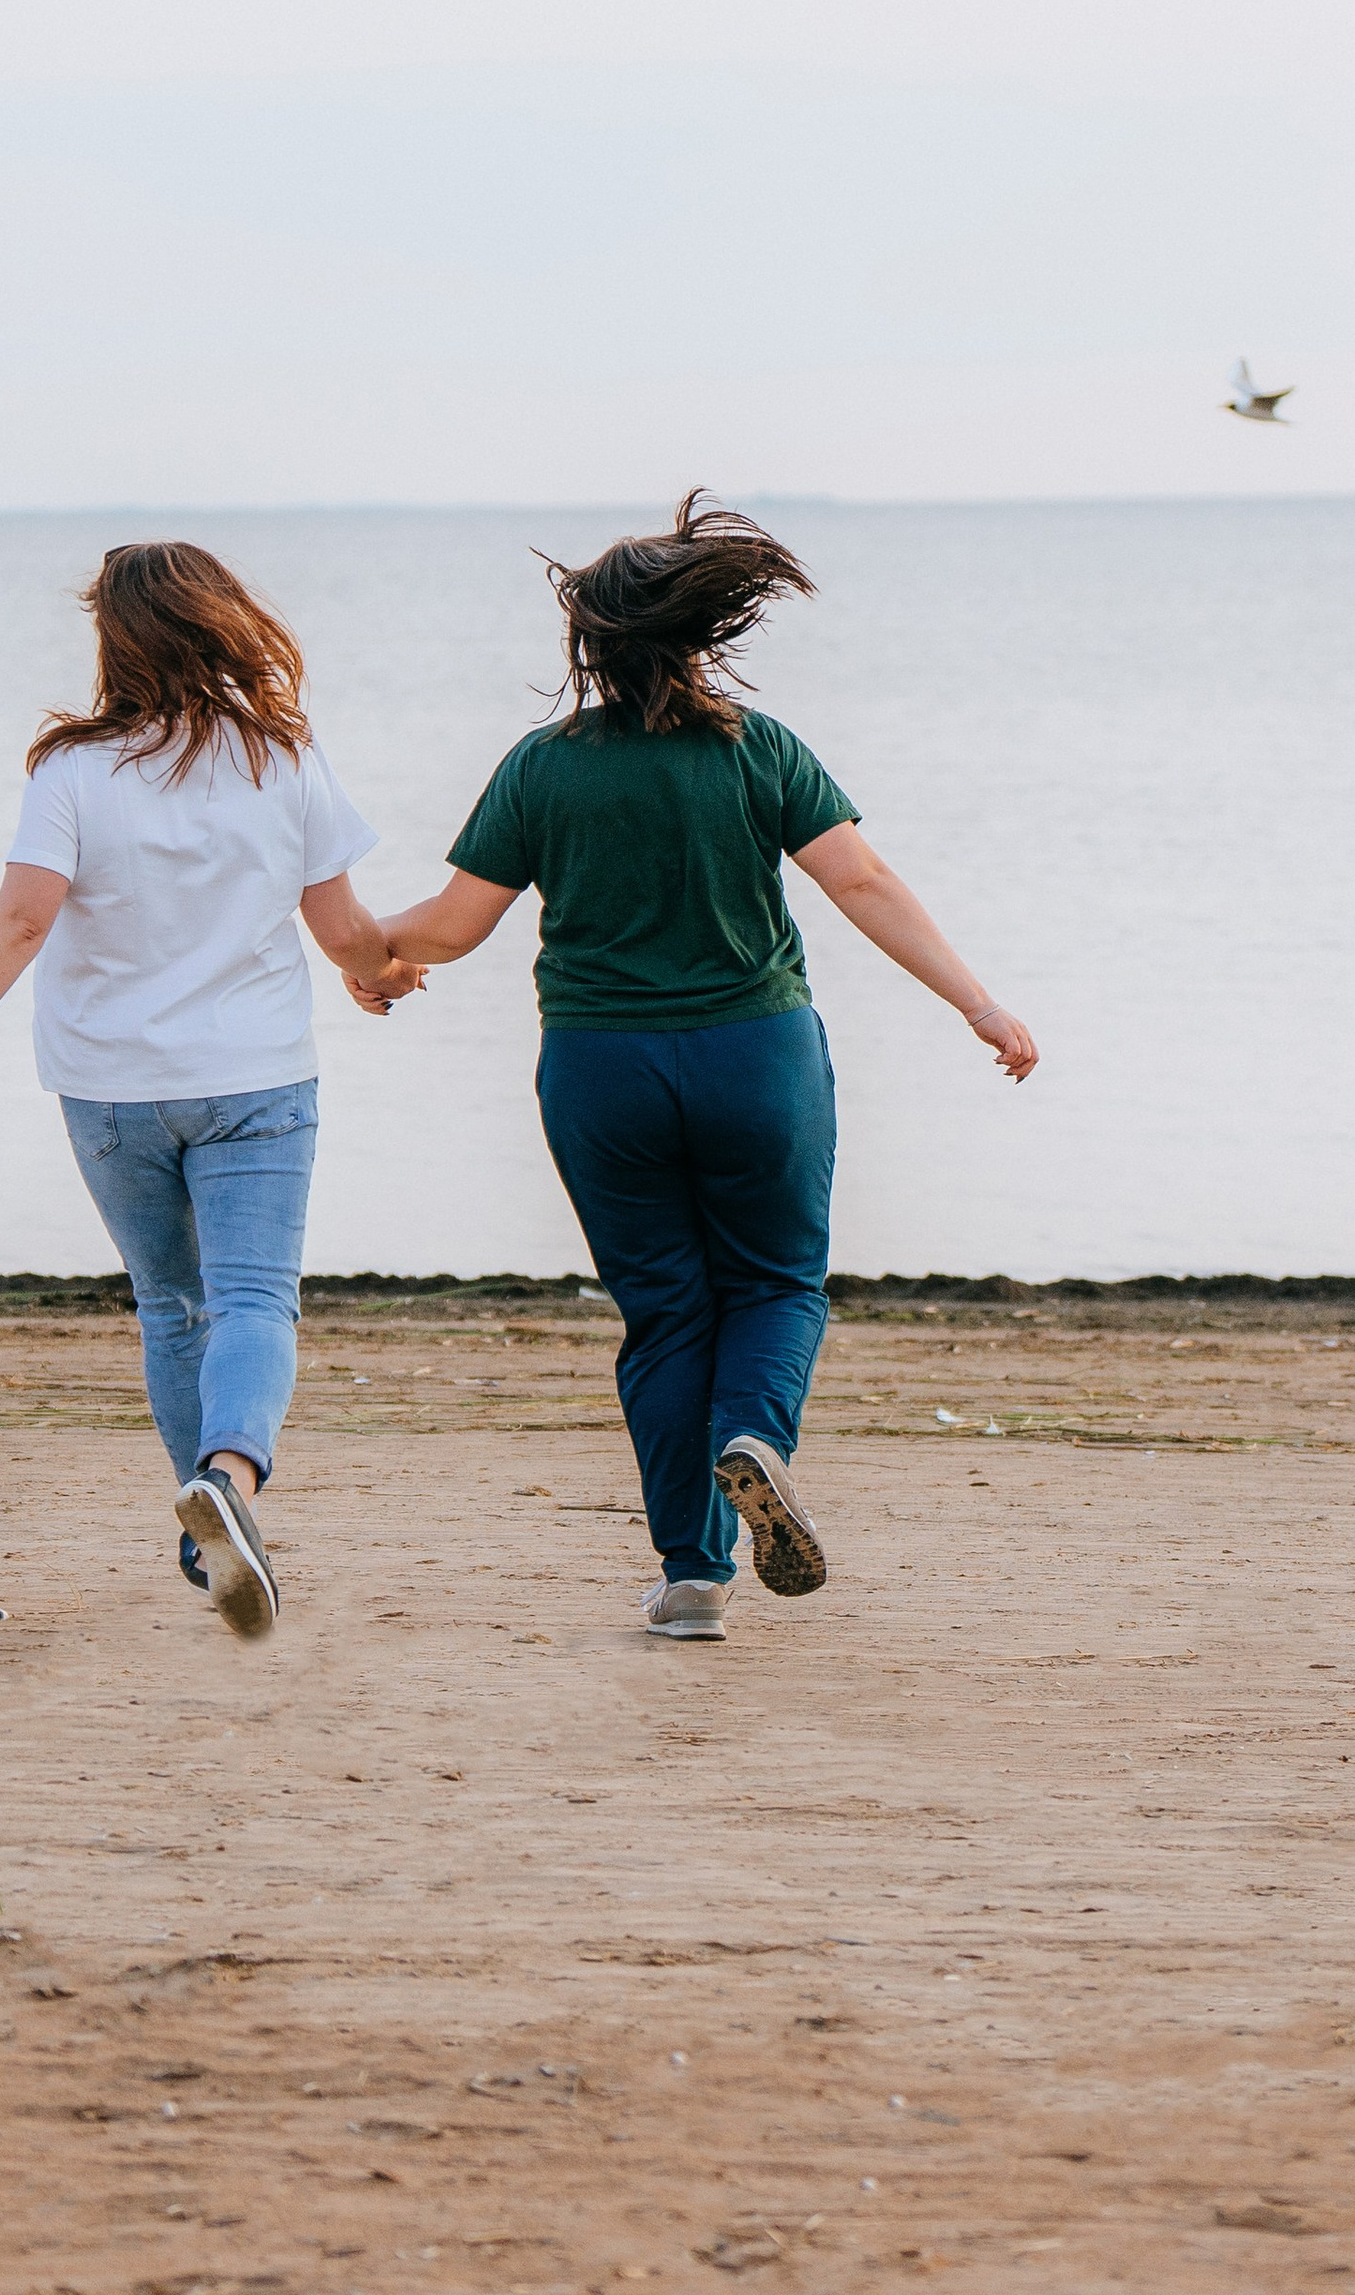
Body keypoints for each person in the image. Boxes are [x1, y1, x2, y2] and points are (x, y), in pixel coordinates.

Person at [358, 494, 1038, 1639]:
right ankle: (756, 1436)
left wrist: (374, 954)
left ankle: (691, 1576)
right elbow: (862, 884)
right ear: (700, 638)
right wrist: (978, 1002)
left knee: (666, 1311)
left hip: (600, 1070)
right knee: (775, 1283)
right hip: (755, 1057)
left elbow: (453, 922)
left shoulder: (542, 766)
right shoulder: (756, 748)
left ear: (592, 644)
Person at [0, 541, 407, 1640]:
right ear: (224, 621)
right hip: (256, 1077)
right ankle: (228, 1488)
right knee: (254, 1301)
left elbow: (19, 920)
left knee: (172, 1305)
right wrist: (379, 972)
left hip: (110, 1088)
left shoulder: (71, 770)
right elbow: (345, 929)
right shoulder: (281, 758)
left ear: (114, 639)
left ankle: (205, 1526)